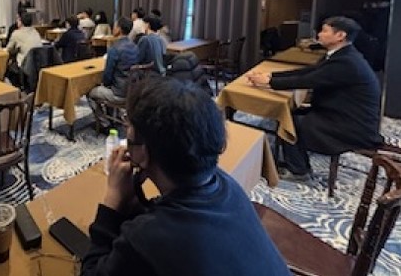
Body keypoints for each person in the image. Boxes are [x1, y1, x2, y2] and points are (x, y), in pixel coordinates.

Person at [82, 77, 289, 275]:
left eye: (129, 128)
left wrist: (112, 200)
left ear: (143, 153)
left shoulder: (146, 236)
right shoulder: (226, 184)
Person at [247, 16, 382, 180]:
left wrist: (269, 82)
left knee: (290, 122)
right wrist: (271, 76)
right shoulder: (343, 56)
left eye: (325, 31)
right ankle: (296, 161)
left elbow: (306, 80)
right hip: (340, 112)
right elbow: (308, 72)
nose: (319, 34)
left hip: (350, 124)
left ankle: (299, 170)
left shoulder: (346, 62)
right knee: (290, 113)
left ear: (340, 36)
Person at [88, 17, 138, 106]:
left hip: (118, 93)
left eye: (114, 26)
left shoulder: (114, 49)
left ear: (119, 29)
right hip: (132, 91)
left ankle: (101, 115)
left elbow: (107, 76)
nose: (112, 29)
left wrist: (103, 84)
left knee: (90, 92)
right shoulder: (135, 47)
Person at [5, 12, 42, 87]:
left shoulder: (16, 33)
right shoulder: (35, 31)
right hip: (37, 64)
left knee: (7, 68)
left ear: (21, 22)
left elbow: (8, 49)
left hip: (24, 64)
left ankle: (15, 88)